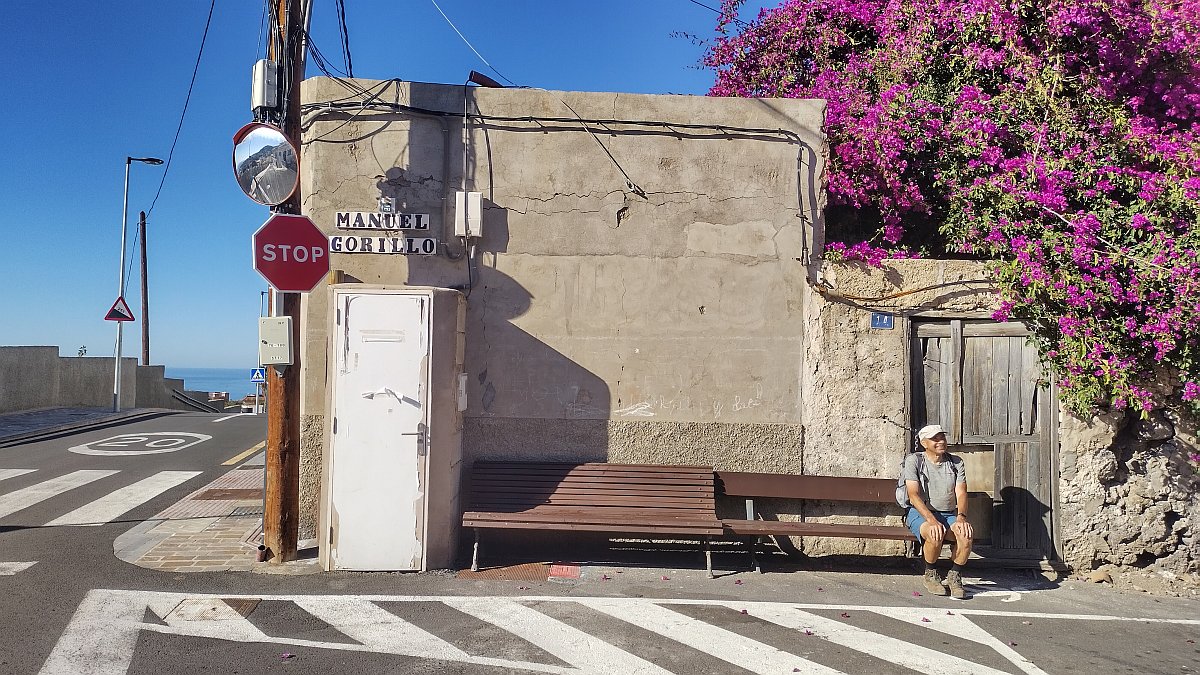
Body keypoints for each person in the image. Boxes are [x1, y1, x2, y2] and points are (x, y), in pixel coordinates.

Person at [904, 424, 973, 598]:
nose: (940, 441)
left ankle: (955, 575)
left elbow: (961, 492)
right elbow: (913, 495)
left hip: (949, 514)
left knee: (966, 536)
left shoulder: (956, 463)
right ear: (924, 443)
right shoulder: (914, 460)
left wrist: (961, 518)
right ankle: (930, 573)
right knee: (935, 533)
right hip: (920, 513)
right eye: (935, 439)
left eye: (942, 437)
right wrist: (931, 520)